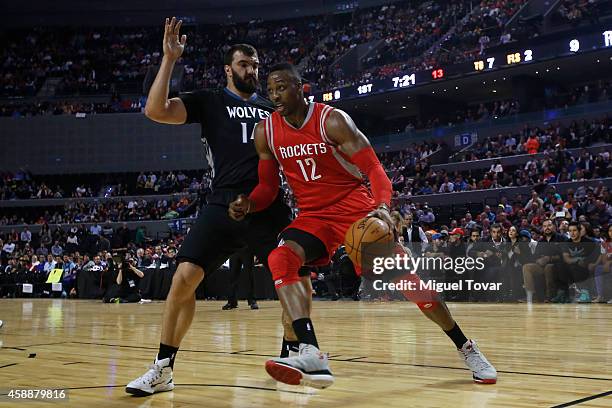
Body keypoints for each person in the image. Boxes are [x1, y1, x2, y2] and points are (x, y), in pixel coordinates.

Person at [229, 63, 497, 388]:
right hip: (313, 216)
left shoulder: (332, 120)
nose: (275, 95)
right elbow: (268, 188)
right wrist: (249, 203)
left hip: (355, 209)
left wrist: (383, 208)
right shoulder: (266, 131)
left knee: (411, 285)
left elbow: (374, 169)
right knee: (280, 258)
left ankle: (465, 346)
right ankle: (309, 350)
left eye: (282, 87)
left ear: (301, 88)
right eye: (270, 90)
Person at [125, 18, 291, 396]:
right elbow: (155, 110)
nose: (251, 70)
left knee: (294, 283)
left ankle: (290, 355)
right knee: (182, 280)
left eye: (255, 66)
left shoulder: (274, 110)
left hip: (268, 204)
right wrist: (169, 60)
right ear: (228, 69)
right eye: (244, 64)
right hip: (223, 201)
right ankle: (163, 368)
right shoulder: (211, 100)